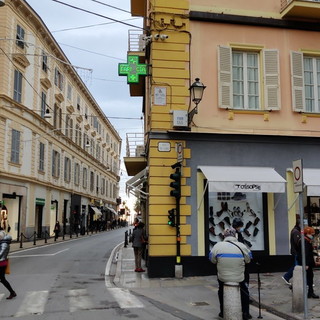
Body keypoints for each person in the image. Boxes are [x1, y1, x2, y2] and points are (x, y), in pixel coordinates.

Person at [209, 228, 252, 320]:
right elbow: (248, 260)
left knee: (221, 289)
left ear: (224, 236)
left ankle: (223, 311)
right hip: (239, 277)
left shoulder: (217, 246)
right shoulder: (242, 246)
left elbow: (212, 260)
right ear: (235, 236)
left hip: (223, 277)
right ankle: (245, 312)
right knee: (244, 290)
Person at [297, 226, 319, 299]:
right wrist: (306, 264)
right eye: (311, 234)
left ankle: (310, 292)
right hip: (306, 263)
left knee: (309, 277)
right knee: (307, 277)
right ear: (307, 233)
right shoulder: (305, 241)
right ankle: (309, 292)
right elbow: (305, 253)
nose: (312, 235)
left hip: (307, 262)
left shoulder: (305, 240)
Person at [282, 215, 301, 286]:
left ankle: (286, 277)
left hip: (295, 251)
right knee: (297, 267)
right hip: (296, 252)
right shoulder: (296, 232)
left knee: (296, 266)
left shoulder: (295, 230)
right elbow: (298, 243)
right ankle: (288, 277)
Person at [0, 231, 16, 299]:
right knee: (2, 279)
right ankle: (12, 292)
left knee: (2, 279)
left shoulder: (4, 244)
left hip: (1, 263)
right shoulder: (2, 243)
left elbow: (0, 254)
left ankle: (12, 292)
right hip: (2, 262)